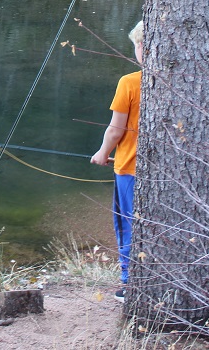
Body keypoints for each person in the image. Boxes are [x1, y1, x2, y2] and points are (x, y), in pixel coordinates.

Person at [89, 21, 143, 301]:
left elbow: (115, 128)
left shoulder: (130, 83)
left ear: (143, 47)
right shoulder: (185, 81)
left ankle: (130, 284)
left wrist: (102, 152)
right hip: (169, 173)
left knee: (128, 226)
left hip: (131, 170)